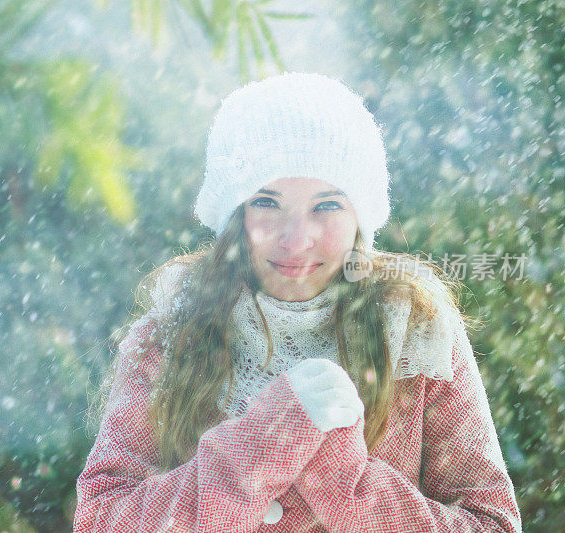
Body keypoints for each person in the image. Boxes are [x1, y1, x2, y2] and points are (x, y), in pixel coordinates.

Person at [74, 73, 521, 532]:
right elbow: (101, 520)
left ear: (360, 217)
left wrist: (345, 481)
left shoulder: (413, 329)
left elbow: (492, 524)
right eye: (267, 202)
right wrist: (253, 450)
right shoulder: (174, 327)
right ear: (236, 213)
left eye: (326, 206)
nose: (296, 239)